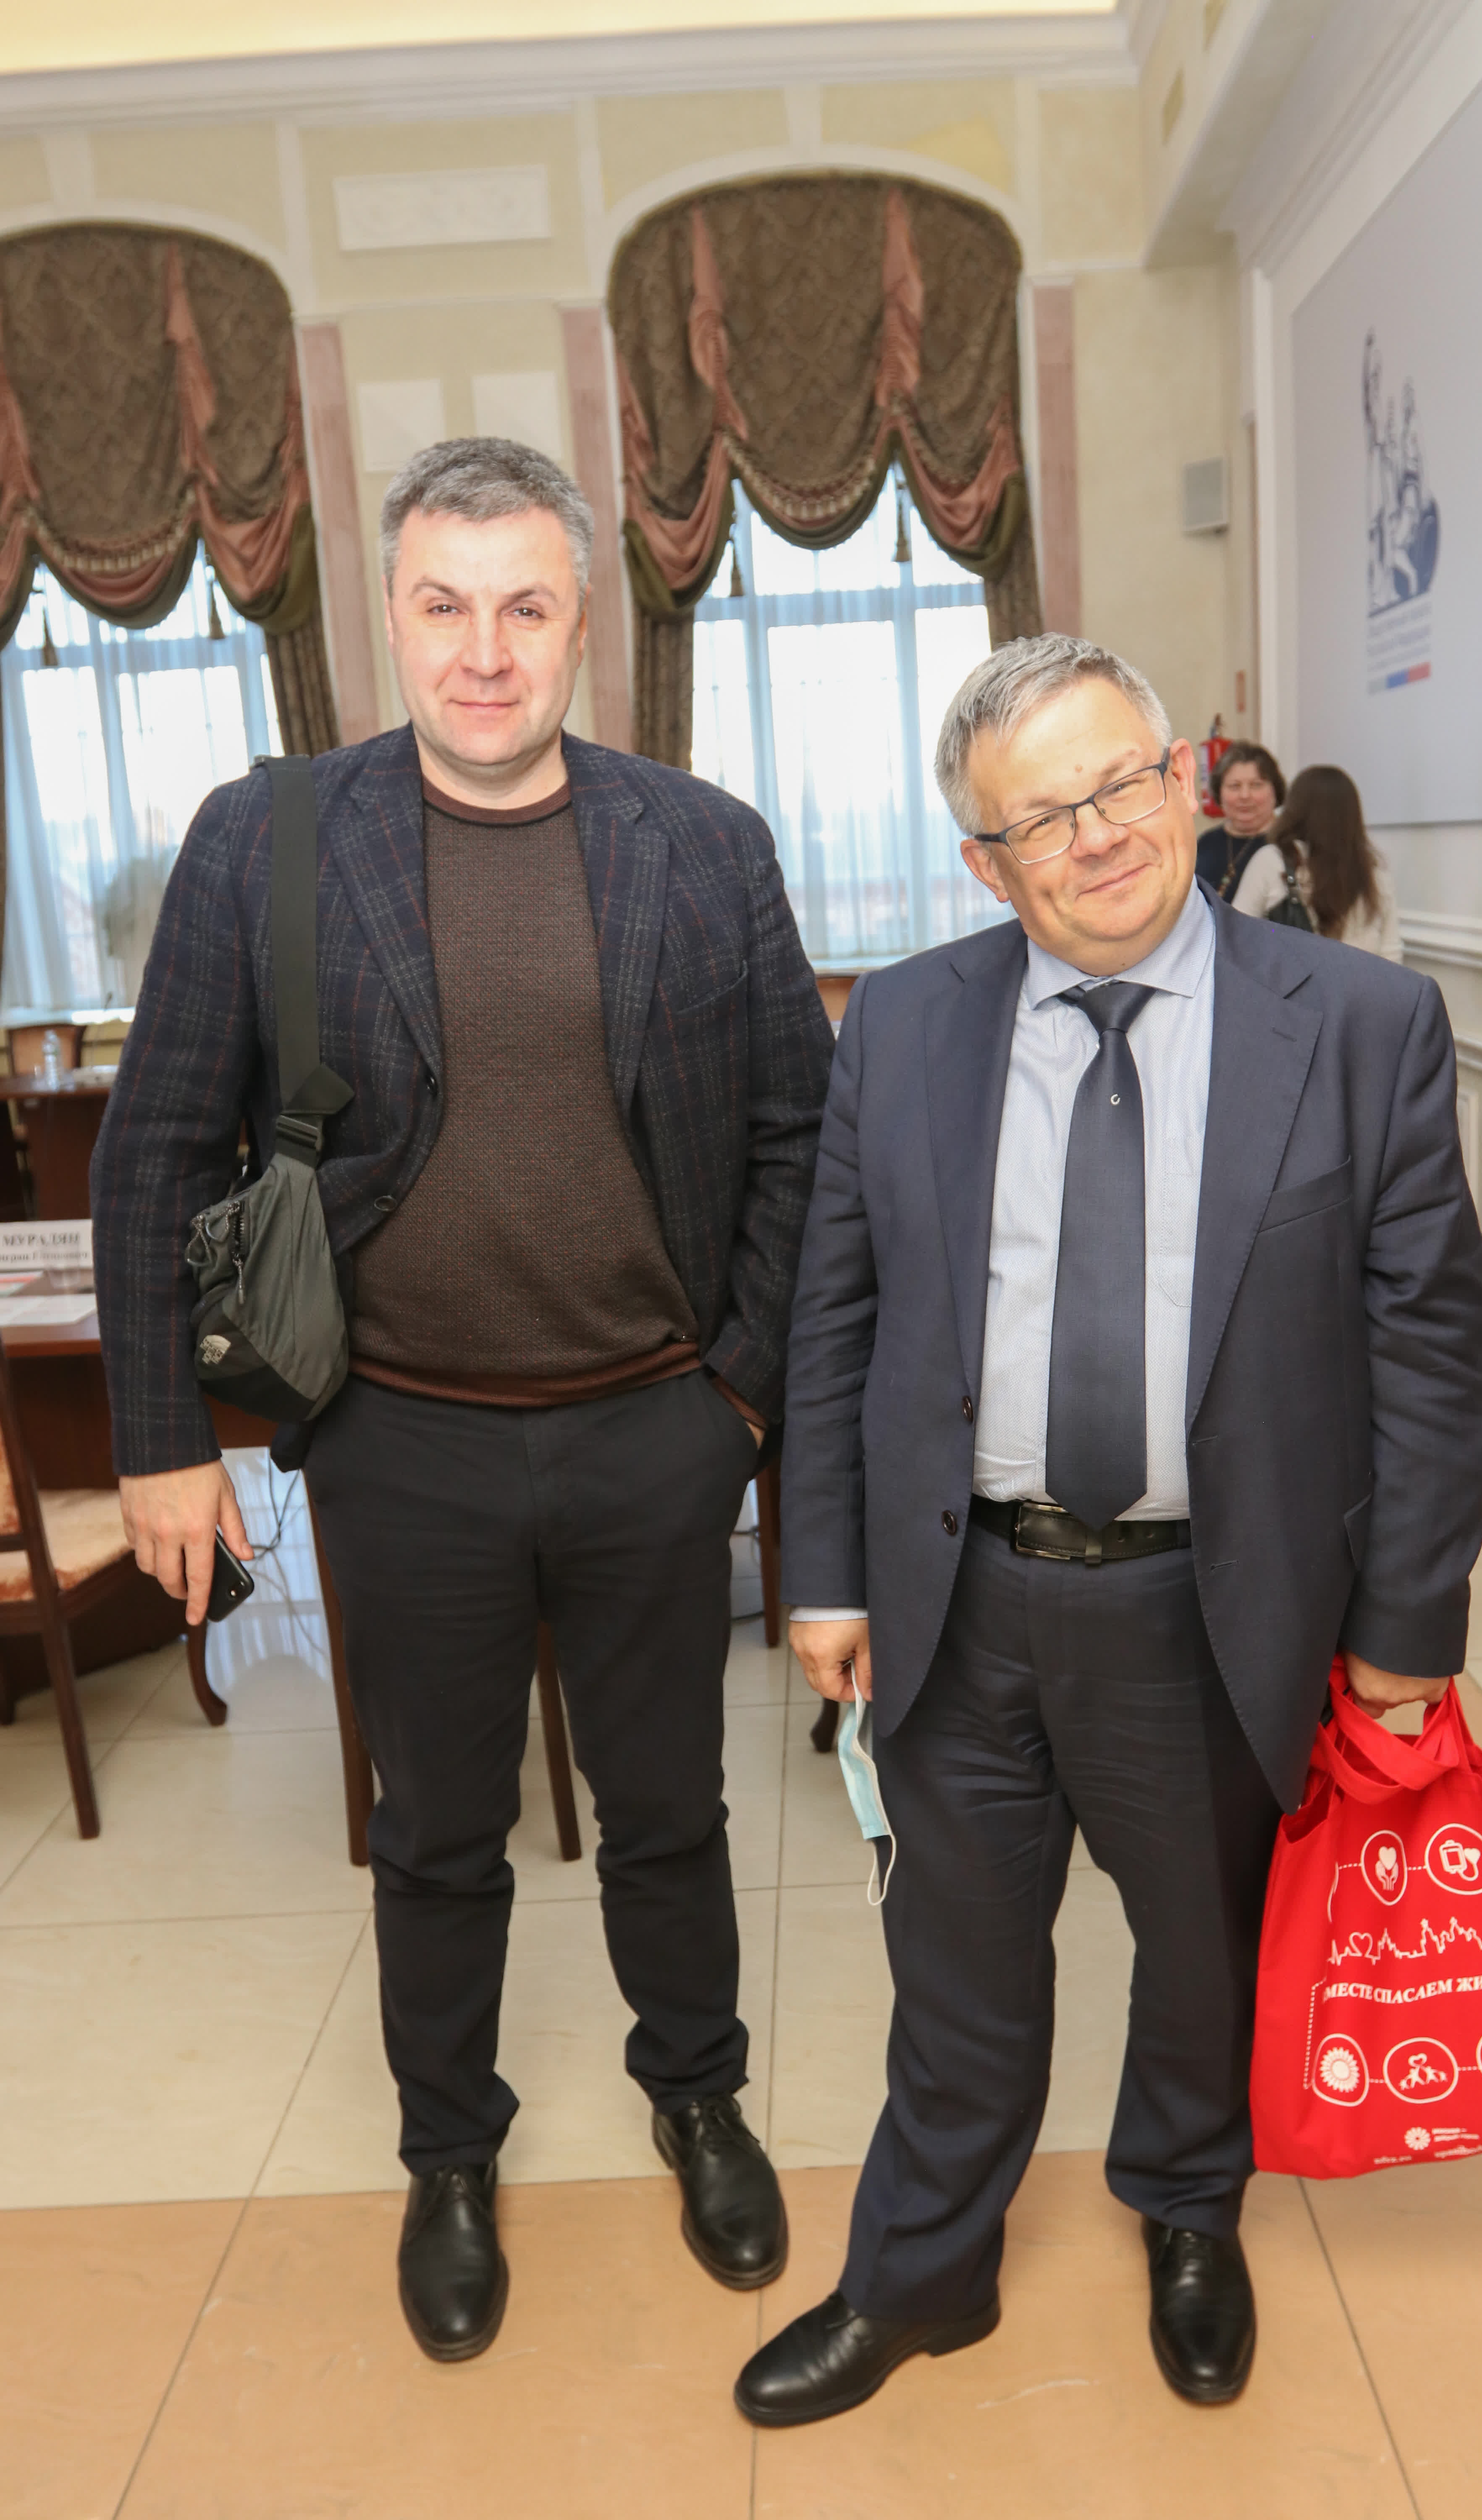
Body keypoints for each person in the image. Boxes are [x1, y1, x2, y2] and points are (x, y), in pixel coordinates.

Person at [92, 437, 834, 2362]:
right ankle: (448, 2152)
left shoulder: (704, 843)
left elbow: (797, 1139)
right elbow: (153, 1146)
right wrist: (163, 1438)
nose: (483, 652)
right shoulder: (266, 840)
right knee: (433, 1827)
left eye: (523, 607)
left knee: (668, 1804)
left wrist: (738, 1400)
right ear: (387, 619)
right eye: (443, 605)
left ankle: (698, 2096)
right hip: (398, 1436)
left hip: (657, 1423)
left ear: (583, 625)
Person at [735, 633, 1482, 2428]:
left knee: (1201, 1952)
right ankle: (918, 2270)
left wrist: (1403, 1626)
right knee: (954, 1972)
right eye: (1036, 817)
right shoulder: (902, 1023)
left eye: (1117, 783)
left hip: (1211, 1607)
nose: (1093, 836)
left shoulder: (1357, 1024)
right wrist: (822, 1570)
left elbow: (1431, 1349)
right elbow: (832, 1319)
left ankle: (1183, 2206)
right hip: (960, 1596)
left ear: (1179, 778)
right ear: (982, 862)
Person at [1232, 763, 1401, 959]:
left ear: (1295, 811)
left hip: (1291, 978)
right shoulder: (1375, 872)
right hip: (1364, 979)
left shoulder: (1272, 861)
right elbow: (1392, 953)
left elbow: (1236, 935)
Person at [1194, 740, 1285, 898]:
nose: (1245, 796)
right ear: (1219, 793)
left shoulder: (1290, 844)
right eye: (1235, 786)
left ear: (1275, 791)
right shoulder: (1205, 844)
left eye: (1256, 785)